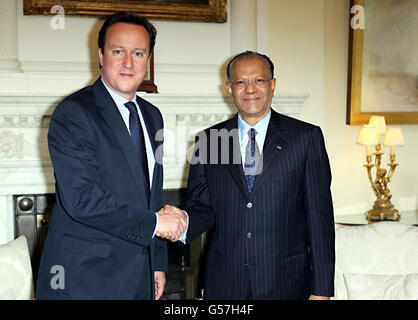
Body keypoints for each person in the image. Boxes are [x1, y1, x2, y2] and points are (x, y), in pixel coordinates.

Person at [36, 12, 186, 300]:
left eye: (138, 53)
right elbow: (82, 199)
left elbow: (151, 197)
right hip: (86, 279)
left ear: (148, 59)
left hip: (140, 275)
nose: (128, 62)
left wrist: (156, 263)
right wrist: (156, 224)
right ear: (101, 55)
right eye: (118, 51)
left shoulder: (152, 116)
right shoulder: (74, 112)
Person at [164, 51, 335, 300]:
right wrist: (182, 222)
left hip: (287, 283)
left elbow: (320, 221)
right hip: (225, 282)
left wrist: (321, 291)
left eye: (259, 80)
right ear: (229, 88)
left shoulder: (306, 138)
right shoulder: (209, 141)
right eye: (241, 82)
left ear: (273, 85)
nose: (250, 89)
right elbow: (202, 206)